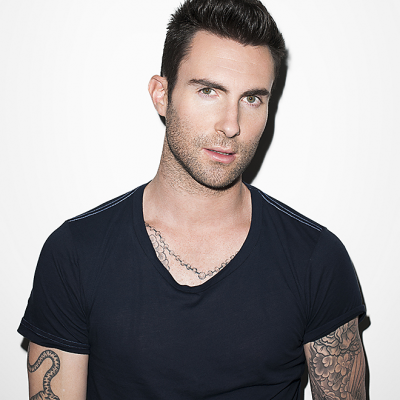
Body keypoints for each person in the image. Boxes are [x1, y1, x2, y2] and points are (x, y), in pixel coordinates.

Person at [18, 0, 366, 399]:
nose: (231, 125)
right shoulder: (76, 253)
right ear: (161, 94)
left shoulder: (315, 259)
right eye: (208, 91)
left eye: (252, 99)